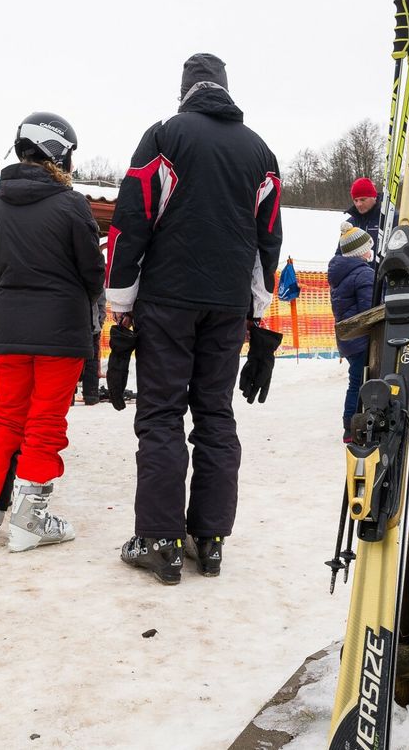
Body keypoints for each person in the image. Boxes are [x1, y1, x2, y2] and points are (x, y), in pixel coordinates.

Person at [107, 52, 283, 584]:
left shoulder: (164, 137)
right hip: (227, 305)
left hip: (167, 300)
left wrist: (121, 301)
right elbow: (267, 238)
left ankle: (160, 539)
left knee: (161, 413)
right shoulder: (261, 152)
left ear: (184, 90)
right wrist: (257, 312)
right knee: (215, 413)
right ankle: (209, 539)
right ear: (224, 90)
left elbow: (131, 220)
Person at [0, 112, 104, 551]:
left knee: (5, 416)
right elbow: (93, 273)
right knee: (44, 422)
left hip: (10, 328)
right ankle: (29, 520)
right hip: (60, 332)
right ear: (58, 151)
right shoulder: (71, 204)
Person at [328, 222, 375, 440]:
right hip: (361, 339)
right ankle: (351, 425)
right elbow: (369, 310)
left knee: (356, 380)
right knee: (360, 381)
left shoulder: (341, 274)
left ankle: (352, 423)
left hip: (348, 340)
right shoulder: (363, 274)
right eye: (368, 247)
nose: (371, 251)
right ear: (360, 252)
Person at [341, 176, 394, 255]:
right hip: (358, 267)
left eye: (363, 199)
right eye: (355, 200)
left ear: (374, 197)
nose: (358, 204)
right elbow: (341, 254)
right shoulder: (350, 224)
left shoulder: (391, 218)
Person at [79, 286, 107, 406]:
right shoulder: (92, 274)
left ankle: (70, 396)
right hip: (91, 323)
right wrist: (99, 321)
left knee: (71, 358)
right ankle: (91, 395)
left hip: (71, 325)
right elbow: (101, 301)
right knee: (92, 360)